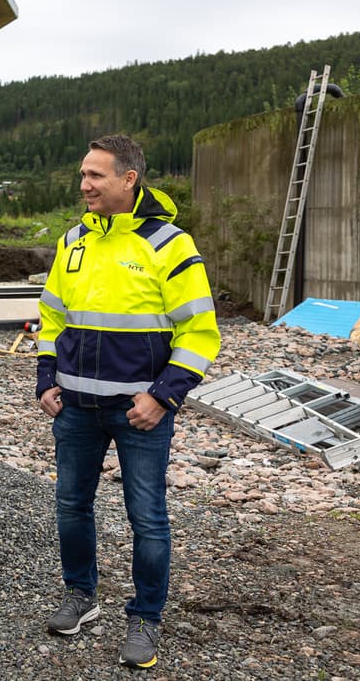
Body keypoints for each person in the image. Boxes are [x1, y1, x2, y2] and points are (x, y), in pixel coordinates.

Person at [36, 134, 220, 669]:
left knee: (148, 518)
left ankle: (144, 618)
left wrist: (163, 397)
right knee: (71, 506)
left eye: (95, 175)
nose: (84, 184)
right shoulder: (74, 241)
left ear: (128, 179)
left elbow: (200, 332)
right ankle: (80, 596)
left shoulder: (170, 245)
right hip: (73, 409)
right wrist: (47, 376)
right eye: (83, 174)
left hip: (140, 414)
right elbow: (52, 316)